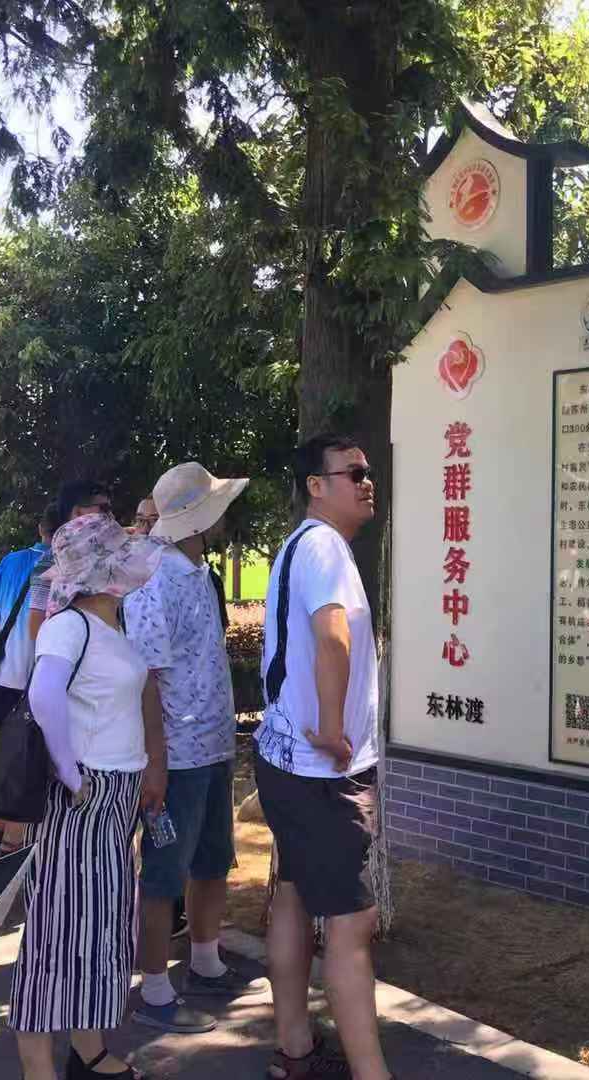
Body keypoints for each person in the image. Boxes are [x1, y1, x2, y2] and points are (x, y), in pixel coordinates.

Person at [10, 513, 162, 1080]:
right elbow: (45, 694)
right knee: (58, 929)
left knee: (97, 925)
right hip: (84, 799)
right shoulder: (69, 625)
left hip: (111, 796)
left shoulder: (103, 626)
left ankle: (90, 1051)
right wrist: (73, 775)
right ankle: (40, 1068)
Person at [254, 434, 387, 1080]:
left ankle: (296, 1048)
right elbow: (333, 639)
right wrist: (334, 730)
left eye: (368, 472)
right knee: (353, 924)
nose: (367, 482)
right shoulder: (326, 547)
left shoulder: (300, 546)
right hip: (321, 770)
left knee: (293, 894)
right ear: (316, 485)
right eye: (352, 473)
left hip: (285, 762)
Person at [124, 462, 250, 1034]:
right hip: (176, 754)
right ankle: (153, 988)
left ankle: (204, 959)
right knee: (164, 872)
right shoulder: (155, 579)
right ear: (200, 519)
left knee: (212, 859)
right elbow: (146, 677)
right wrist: (156, 762)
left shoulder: (196, 571)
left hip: (211, 744)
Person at [0, 511, 54, 848]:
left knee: (5, 750)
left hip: (6, 676)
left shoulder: (11, 562)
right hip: (42, 678)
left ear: (40, 528)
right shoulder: (66, 565)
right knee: (30, 759)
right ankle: (15, 838)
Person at [27, 482, 113, 642]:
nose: (110, 516)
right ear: (77, 512)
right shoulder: (50, 562)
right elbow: (35, 630)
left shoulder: (108, 555)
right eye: (103, 509)